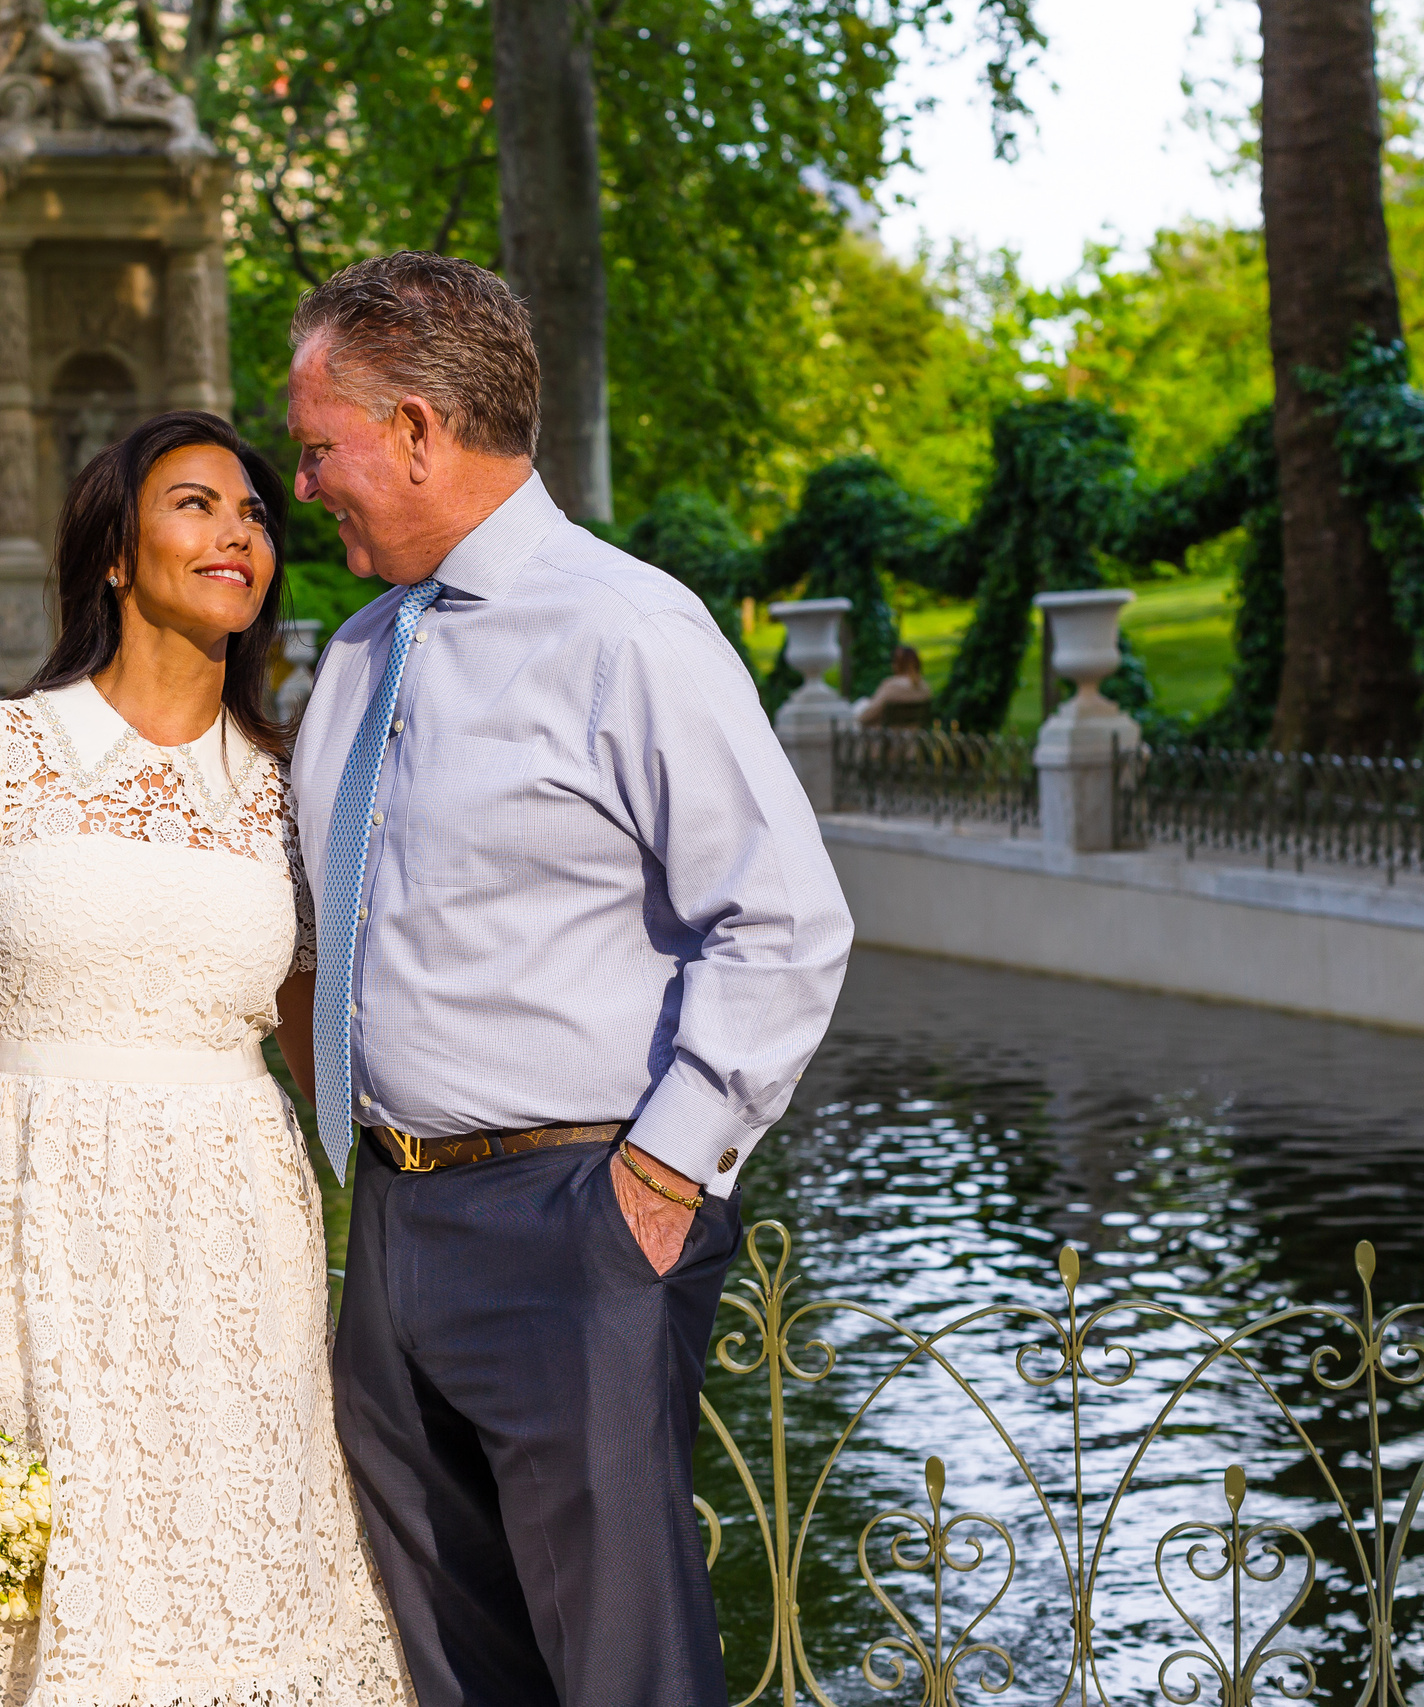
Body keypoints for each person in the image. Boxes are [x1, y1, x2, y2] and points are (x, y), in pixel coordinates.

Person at [283, 252, 853, 1707]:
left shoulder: (627, 628)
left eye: (316, 443)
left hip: (574, 1215)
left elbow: (785, 920)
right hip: (395, 1216)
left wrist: (656, 1183)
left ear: (416, 429)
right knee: (456, 1661)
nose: (303, 483)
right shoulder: (355, 658)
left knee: (621, 1668)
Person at [0, 411, 409, 1707]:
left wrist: (431, 1204)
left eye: (258, 514)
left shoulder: (296, 783)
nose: (237, 533)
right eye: (196, 503)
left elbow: (314, 1027)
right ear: (115, 547)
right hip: (31, 1228)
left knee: (249, 1572)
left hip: (237, 1239)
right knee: (42, 1593)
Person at [856, 645, 935, 727]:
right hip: (915, 737)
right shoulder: (925, 687)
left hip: (889, 737)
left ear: (897, 664)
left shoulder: (892, 686)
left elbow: (866, 716)